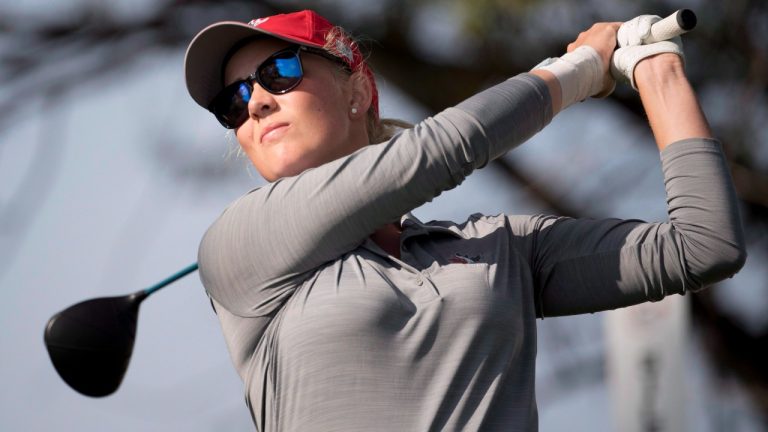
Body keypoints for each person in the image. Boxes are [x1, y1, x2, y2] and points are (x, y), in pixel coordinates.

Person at [184, 9, 746, 431]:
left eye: (278, 71)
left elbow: (703, 244)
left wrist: (656, 68)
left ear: (357, 90)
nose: (255, 102)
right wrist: (577, 71)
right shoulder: (238, 247)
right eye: (232, 102)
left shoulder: (497, 248)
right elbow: (439, 151)